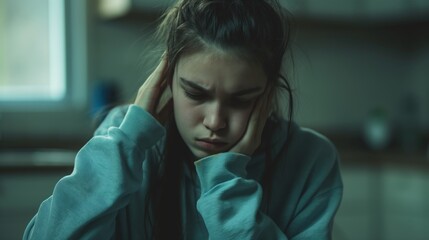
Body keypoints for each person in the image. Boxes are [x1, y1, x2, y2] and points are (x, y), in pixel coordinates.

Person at [24, 0, 343, 239]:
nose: (215, 121)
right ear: (166, 81)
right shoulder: (126, 140)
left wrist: (226, 183)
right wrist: (129, 141)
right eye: (196, 94)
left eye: (241, 100)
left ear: (269, 92)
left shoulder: (311, 159)